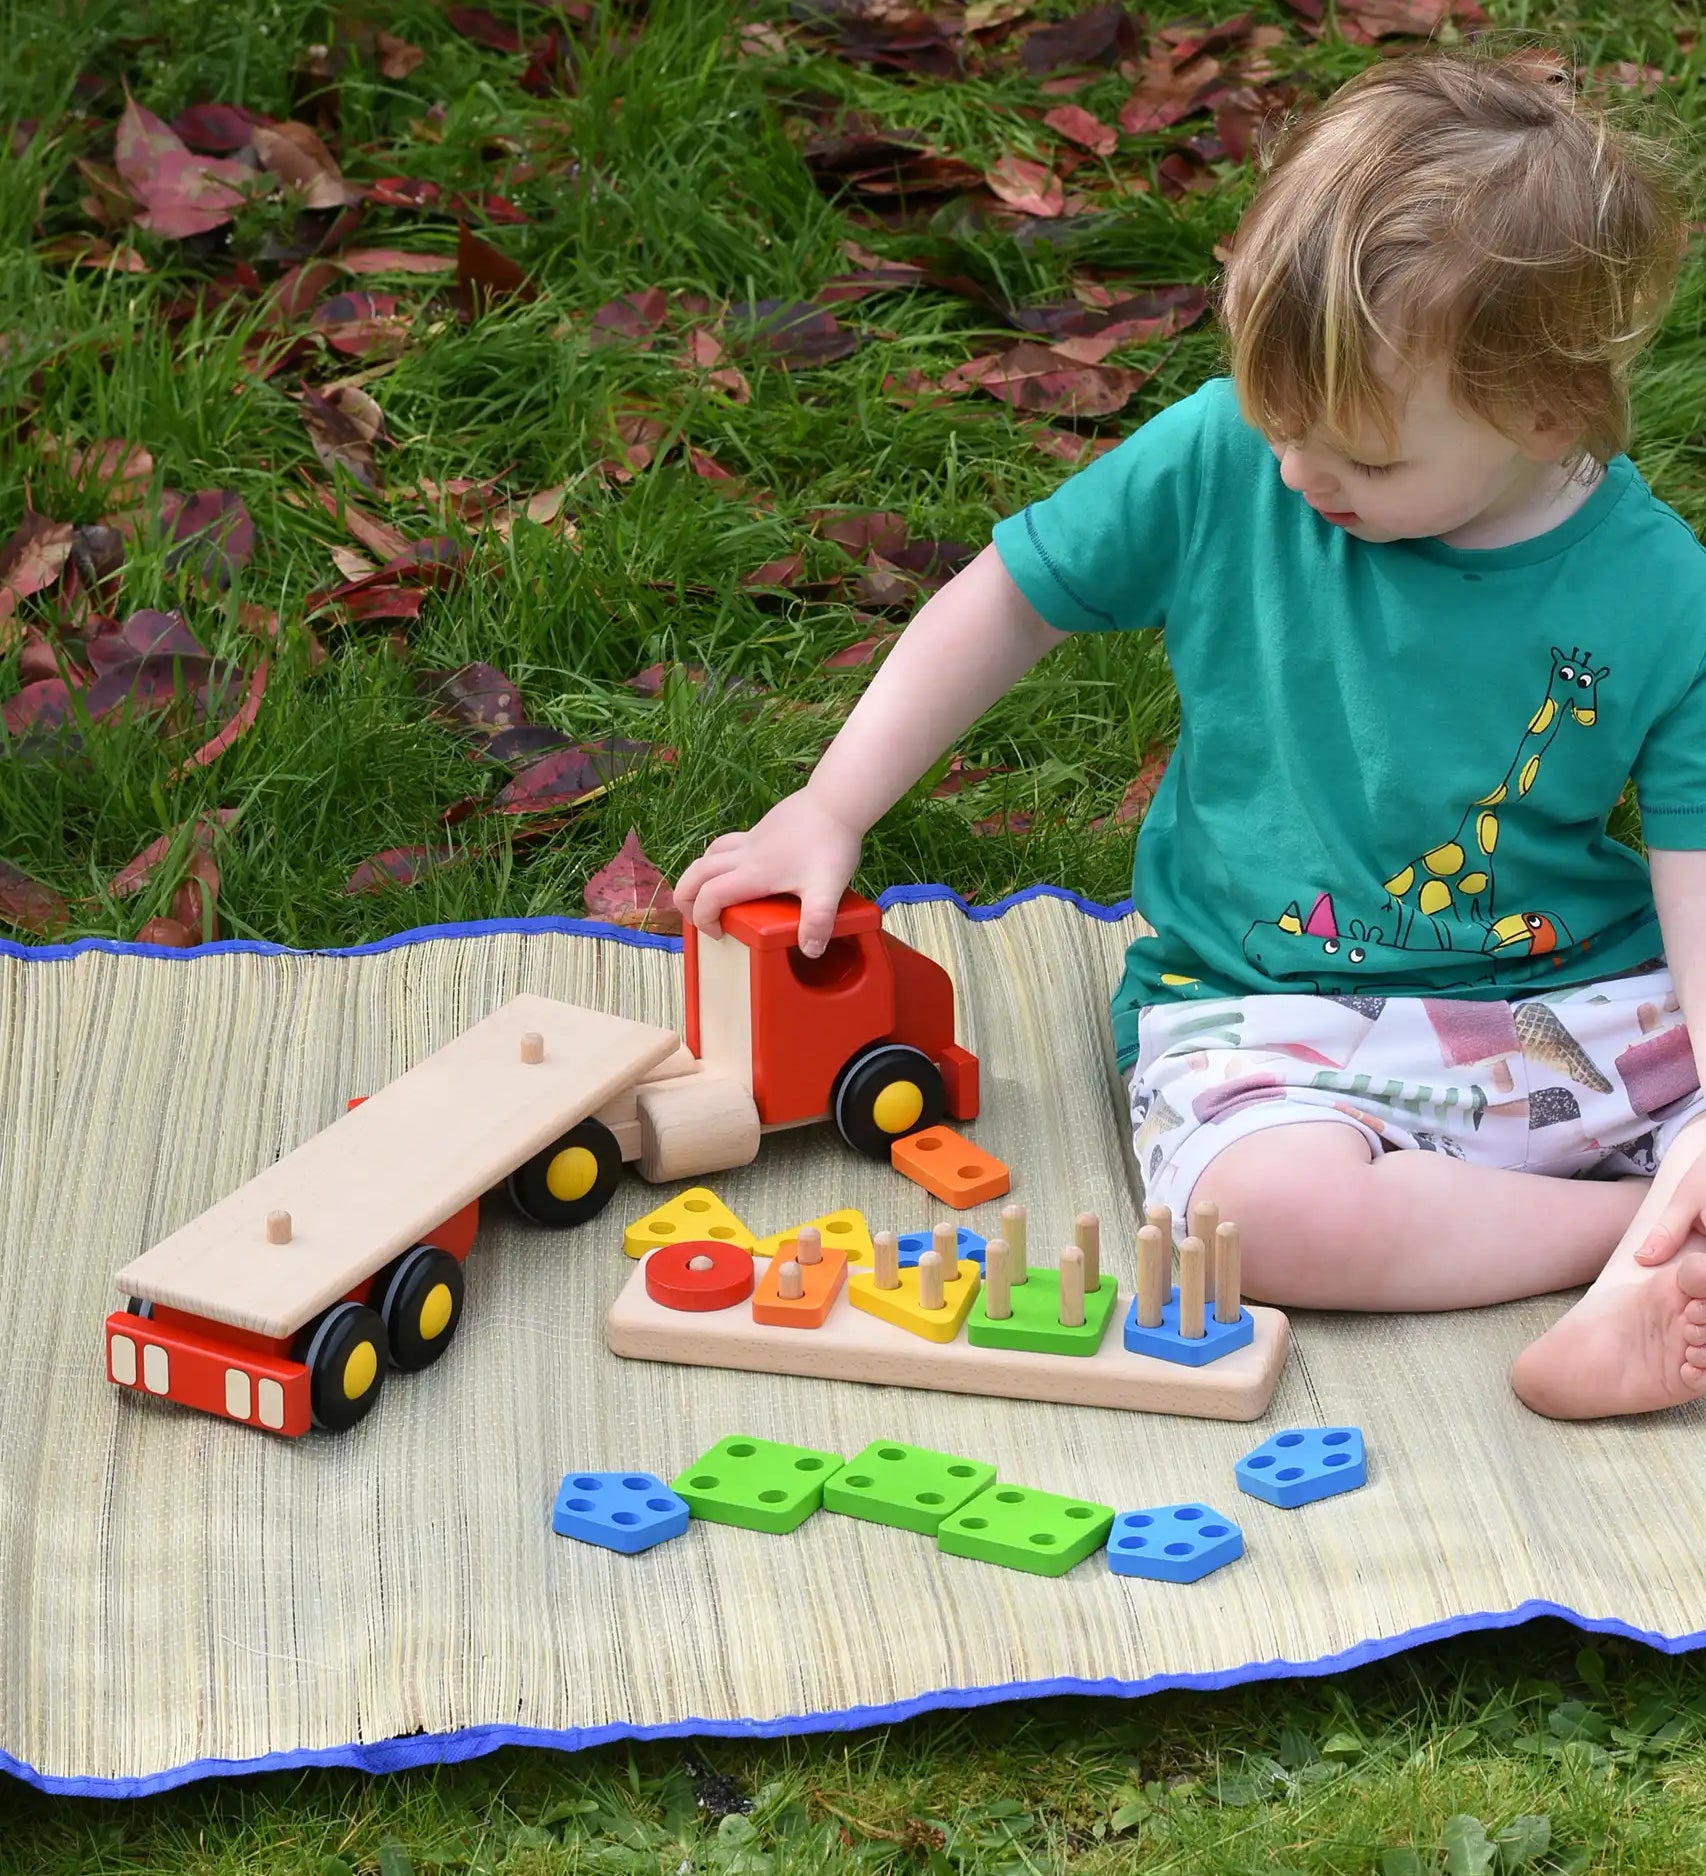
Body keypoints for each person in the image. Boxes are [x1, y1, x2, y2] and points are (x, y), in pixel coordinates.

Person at [676, 46, 1706, 1422]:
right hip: (1259, 1011)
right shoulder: (1233, 453)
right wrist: (828, 805)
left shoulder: (1655, 591)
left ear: (1545, 409)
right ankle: (1628, 1247)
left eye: (1359, 452)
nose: (1297, 470)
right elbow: (1006, 600)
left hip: (1567, 1008)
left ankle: (1656, 1242)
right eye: (1276, 416)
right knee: (1248, 1225)